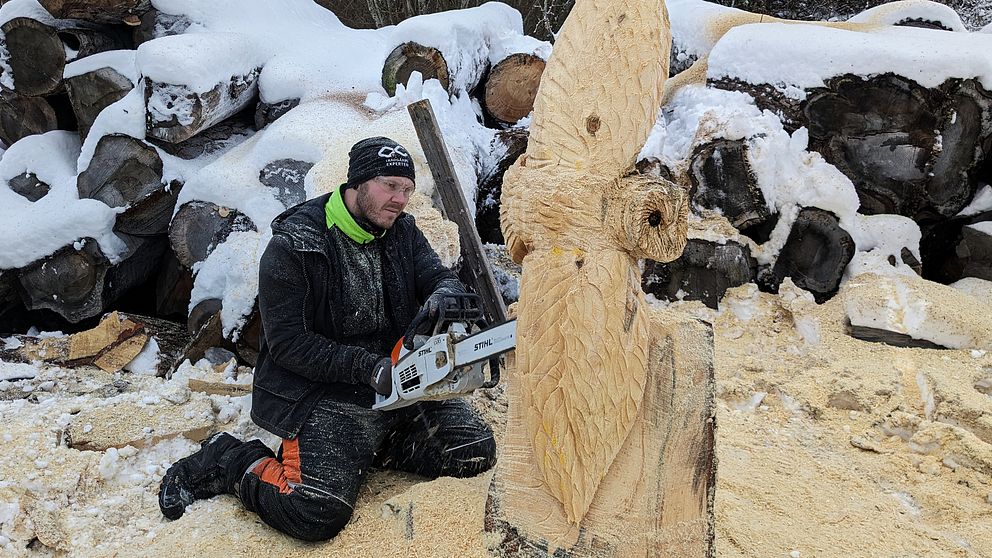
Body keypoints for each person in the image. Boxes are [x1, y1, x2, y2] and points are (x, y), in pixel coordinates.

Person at [157, 137, 497, 541]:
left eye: (406, 189)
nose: (400, 199)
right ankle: (228, 459)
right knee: (314, 511)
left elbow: (435, 275)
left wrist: (445, 293)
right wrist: (367, 368)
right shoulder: (295, 246)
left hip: (399, 384)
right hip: (322, 393)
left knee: (472, 452)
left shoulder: (402, 231)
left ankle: (374, 444)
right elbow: (288, 345)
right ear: (358, 183)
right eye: (390, 185)